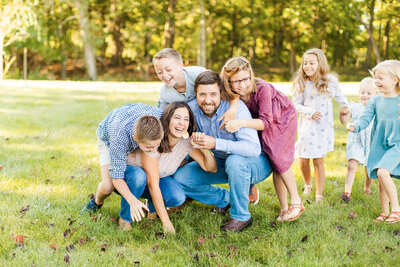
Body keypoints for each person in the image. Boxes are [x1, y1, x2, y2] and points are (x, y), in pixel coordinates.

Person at [173, 70, 272, 232]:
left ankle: (241, 216)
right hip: (222, 162)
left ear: (221, 94)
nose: (207, 100)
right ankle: (226, 198)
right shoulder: (191, 109)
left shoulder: (236, 109)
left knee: (235, 160)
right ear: (195, 94)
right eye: (202, 95)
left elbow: (253, 149)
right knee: (181, 179)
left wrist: (215, 143)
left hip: (256, 163)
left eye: (213, 94)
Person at [220, 56, 304, 222]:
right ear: (228, 82)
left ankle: (296, 201)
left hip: (281, 117)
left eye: (245, 79)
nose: (242, 85)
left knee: (277, 155)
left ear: (251, 75)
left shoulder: (262, 88)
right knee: (272, 160)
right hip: (259, 121)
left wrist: (240, 123)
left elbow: (266, 122)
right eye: (236, 82)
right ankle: (284, 209)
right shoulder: (233, 91)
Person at [120, 102, 217, 232]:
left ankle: (151, 205)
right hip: (130, 180)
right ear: (168, 120)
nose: (182, 123)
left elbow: (211, 168)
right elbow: (152, 185)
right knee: (139, 177)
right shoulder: (154, 141)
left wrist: (204, 148)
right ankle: (125, 218)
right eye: (177, 118)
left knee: (177, 196)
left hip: (155, 180)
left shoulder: (186, 143)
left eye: (186, 119)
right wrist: (167, 223)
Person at [81, 104, 163, 218]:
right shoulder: (118, 138)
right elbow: (116, 177)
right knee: (108, 185)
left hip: (131, 126)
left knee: (143, 174)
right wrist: (133, 200)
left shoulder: (160, 118)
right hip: (108, 137)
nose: (155, 151)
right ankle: (96, 203)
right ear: (135, 139)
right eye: (149, 148)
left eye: (157, 145)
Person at [292, 48, 348, 202]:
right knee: (303, 159)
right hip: (307, 127)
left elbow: (341, 97)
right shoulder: (301, 82)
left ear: (320, 63)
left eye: (311, 63)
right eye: (305, 63)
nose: (307, 66)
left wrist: (346, 107)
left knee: (318, 160)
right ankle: (308, 185)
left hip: (323, 128)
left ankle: (319, 195)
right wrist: (309, 112)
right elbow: (295, 105)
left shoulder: (330, 81)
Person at [347, 60, 400, 223]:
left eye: (381, 78)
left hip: (396, 144)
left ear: (395, 80)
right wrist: (355, 126)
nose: (376, 81)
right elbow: (365, 120)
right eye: (375, 78)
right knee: (380, 178)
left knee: (383, 172)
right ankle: (384, 212)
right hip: (379, 144)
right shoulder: (375, 101)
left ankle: (396, 210)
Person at [339, 78, 377, 202]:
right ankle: (347, 192)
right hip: (356, 141)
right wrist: (343, 114)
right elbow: (345, 122)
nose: (365, 95)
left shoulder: (377, 109)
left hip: (370, 142)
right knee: (351, 165)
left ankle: (367, 188)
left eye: (369, 93)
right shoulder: (354, 107)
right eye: (362, 92)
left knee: (369, 169)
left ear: (376, 95)